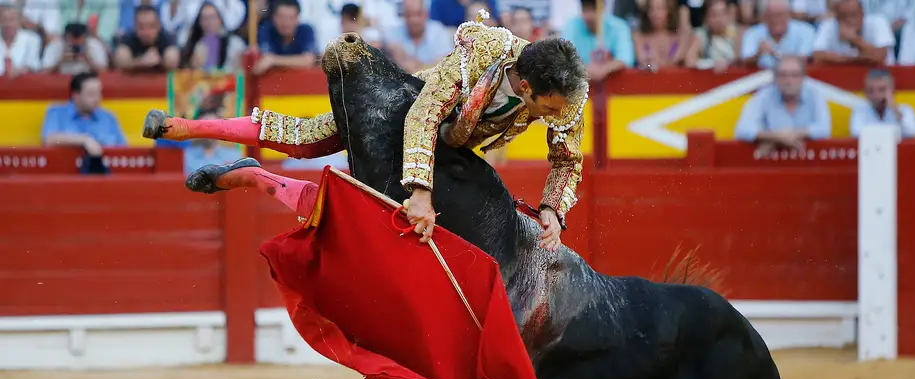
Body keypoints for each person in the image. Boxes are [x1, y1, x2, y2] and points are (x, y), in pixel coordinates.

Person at [142, 10, 590, 251]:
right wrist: (420, 190)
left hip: (454, 151)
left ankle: (255, 176)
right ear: (527, 87)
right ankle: (183, 125)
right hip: (407, 109)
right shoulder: (486, 49)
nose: (556, 117)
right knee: (309, 139)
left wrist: (552, 209)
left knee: (350, 211)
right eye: (547, 109)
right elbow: (425, 113)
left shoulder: (567, 90)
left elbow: (567, 156)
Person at [849, 68, 915, 138]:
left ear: (892, 91)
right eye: (870, 90)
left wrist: (895, 110)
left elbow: (912, 132)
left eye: (882, 90)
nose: (876, 95)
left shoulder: (905, 110)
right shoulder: (860, 111)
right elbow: (856, 133)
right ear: (865, 92)